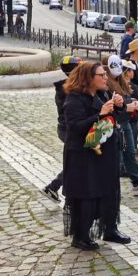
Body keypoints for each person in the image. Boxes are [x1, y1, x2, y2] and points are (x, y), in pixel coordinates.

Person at [61, 62, 131, 250]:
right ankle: (81, 235)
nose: (105, 78)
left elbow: (116, 119)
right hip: (83, 157)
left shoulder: (101, 94)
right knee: (87, 195)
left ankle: (109, 228)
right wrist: (100, 114)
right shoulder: (74, 100)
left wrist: (119, 107)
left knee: (109, 190)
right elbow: (75, 128)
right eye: (101, 75)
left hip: (105, 154)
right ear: (89, 79)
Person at [105, 56, 138, 197]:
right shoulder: (107, 83)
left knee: (130, 153)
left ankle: (137, 182)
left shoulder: (121, 82)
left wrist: (133, 102)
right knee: (116, 156)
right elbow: (110, 105)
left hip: (125, 122)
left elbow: (126, 97)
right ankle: (113, 186)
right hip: (115, 123)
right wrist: (127, 106)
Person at [40, 55, 82, 204]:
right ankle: (54, 187)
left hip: (66, 129)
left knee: (76, 162)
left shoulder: (68, 86)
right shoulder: (67, 89)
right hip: (68, 130)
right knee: (76, 163)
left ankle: (54, 188)